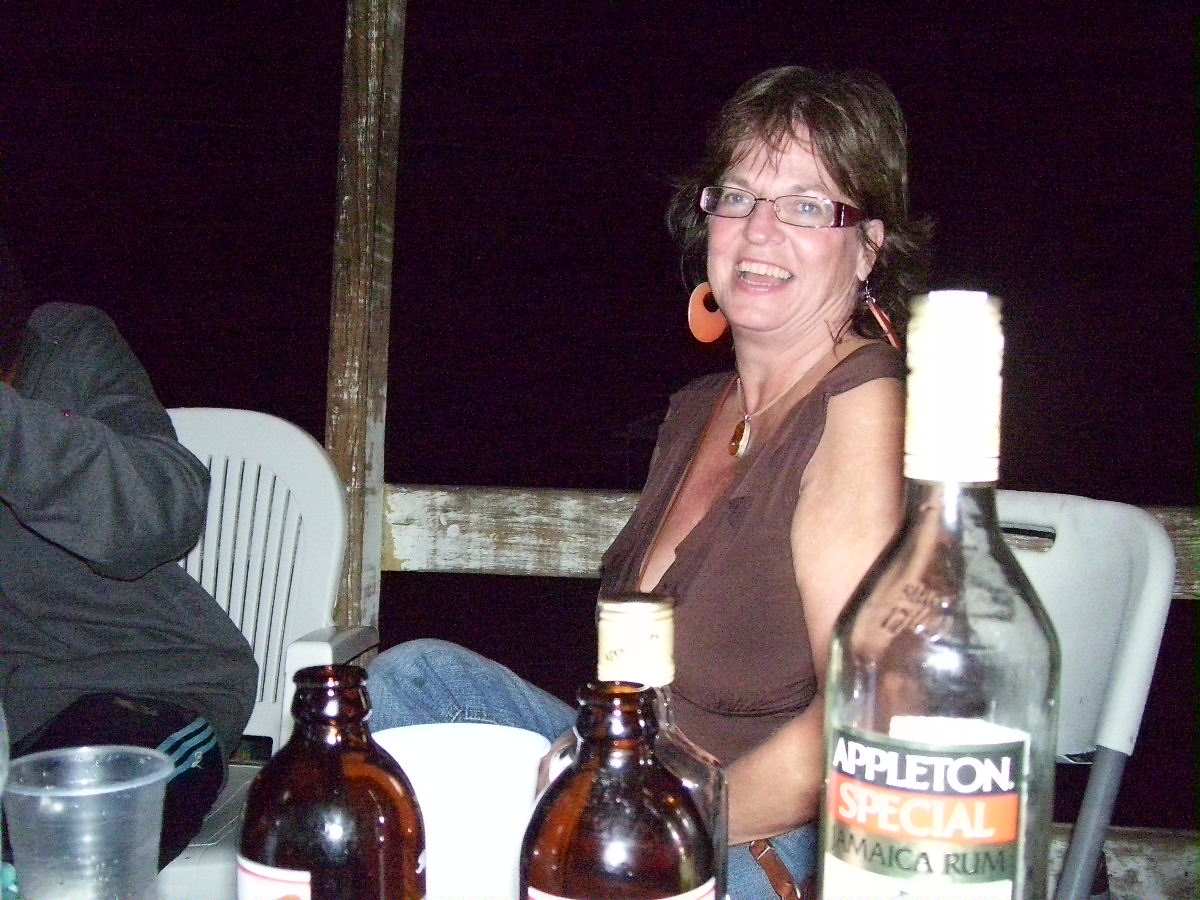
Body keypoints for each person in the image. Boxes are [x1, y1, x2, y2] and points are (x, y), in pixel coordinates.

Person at [366, 65, 928, 895]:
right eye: (738, 197)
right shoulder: (700, 409)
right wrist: (592, 785)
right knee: (412, 683)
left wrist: (639, 824)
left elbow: (868, 720)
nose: (760, 230)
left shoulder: (861, 405)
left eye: (807, 206)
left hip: (754, 840)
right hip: (634, 780)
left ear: (868, 247)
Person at [0, 282, 259, 868]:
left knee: (51, 857)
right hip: (12, 716)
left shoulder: (65, 346)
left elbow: (166, 512)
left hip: (137, 684)